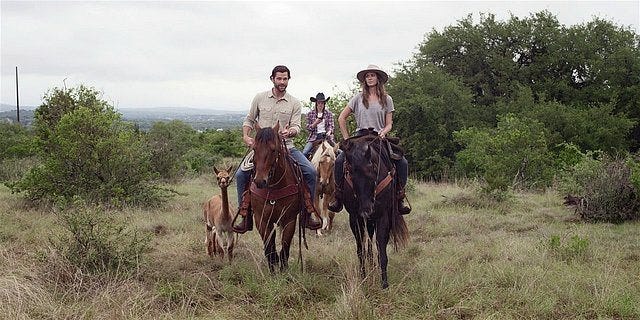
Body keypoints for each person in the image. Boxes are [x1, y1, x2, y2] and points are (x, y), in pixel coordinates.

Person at [233, 65, 322, 233]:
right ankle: (244, 214)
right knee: (240, 175)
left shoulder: (294, 102)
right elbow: (249, 119)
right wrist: (246, 136)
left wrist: (291, 131)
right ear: (272, 79)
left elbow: (297, 126)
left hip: (286, 147)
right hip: (261, 149)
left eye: (285, 79)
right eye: (279, 78)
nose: (282, 82)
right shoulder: (259, 98)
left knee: (310, 172)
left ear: (288, 80)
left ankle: (307, 212)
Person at [328, 64, 411, 215]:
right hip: (360, 136)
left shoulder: (387, 99)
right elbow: (341, 118)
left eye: (372, 75)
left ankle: (399, 196)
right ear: (364, 80)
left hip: (378, 137)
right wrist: (347, 139)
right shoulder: (357, 98)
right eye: (367, 76)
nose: (370, 78)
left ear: (378, 78)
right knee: (340, 160)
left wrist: (383, 132)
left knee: (402, 162)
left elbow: (389, 123)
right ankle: (338, 196)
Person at [302, 92, 336, 158]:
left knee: (338, 152)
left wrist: (329, 132)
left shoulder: (329, 114)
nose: (320, 105)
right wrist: (315, 123)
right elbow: (308, 128)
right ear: (316, 103)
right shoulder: (310, 114)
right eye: (319, 103)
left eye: (322, 103)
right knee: (305, 153)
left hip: (326, 137)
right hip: (314, 138)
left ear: (324, 104)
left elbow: (331, 126)